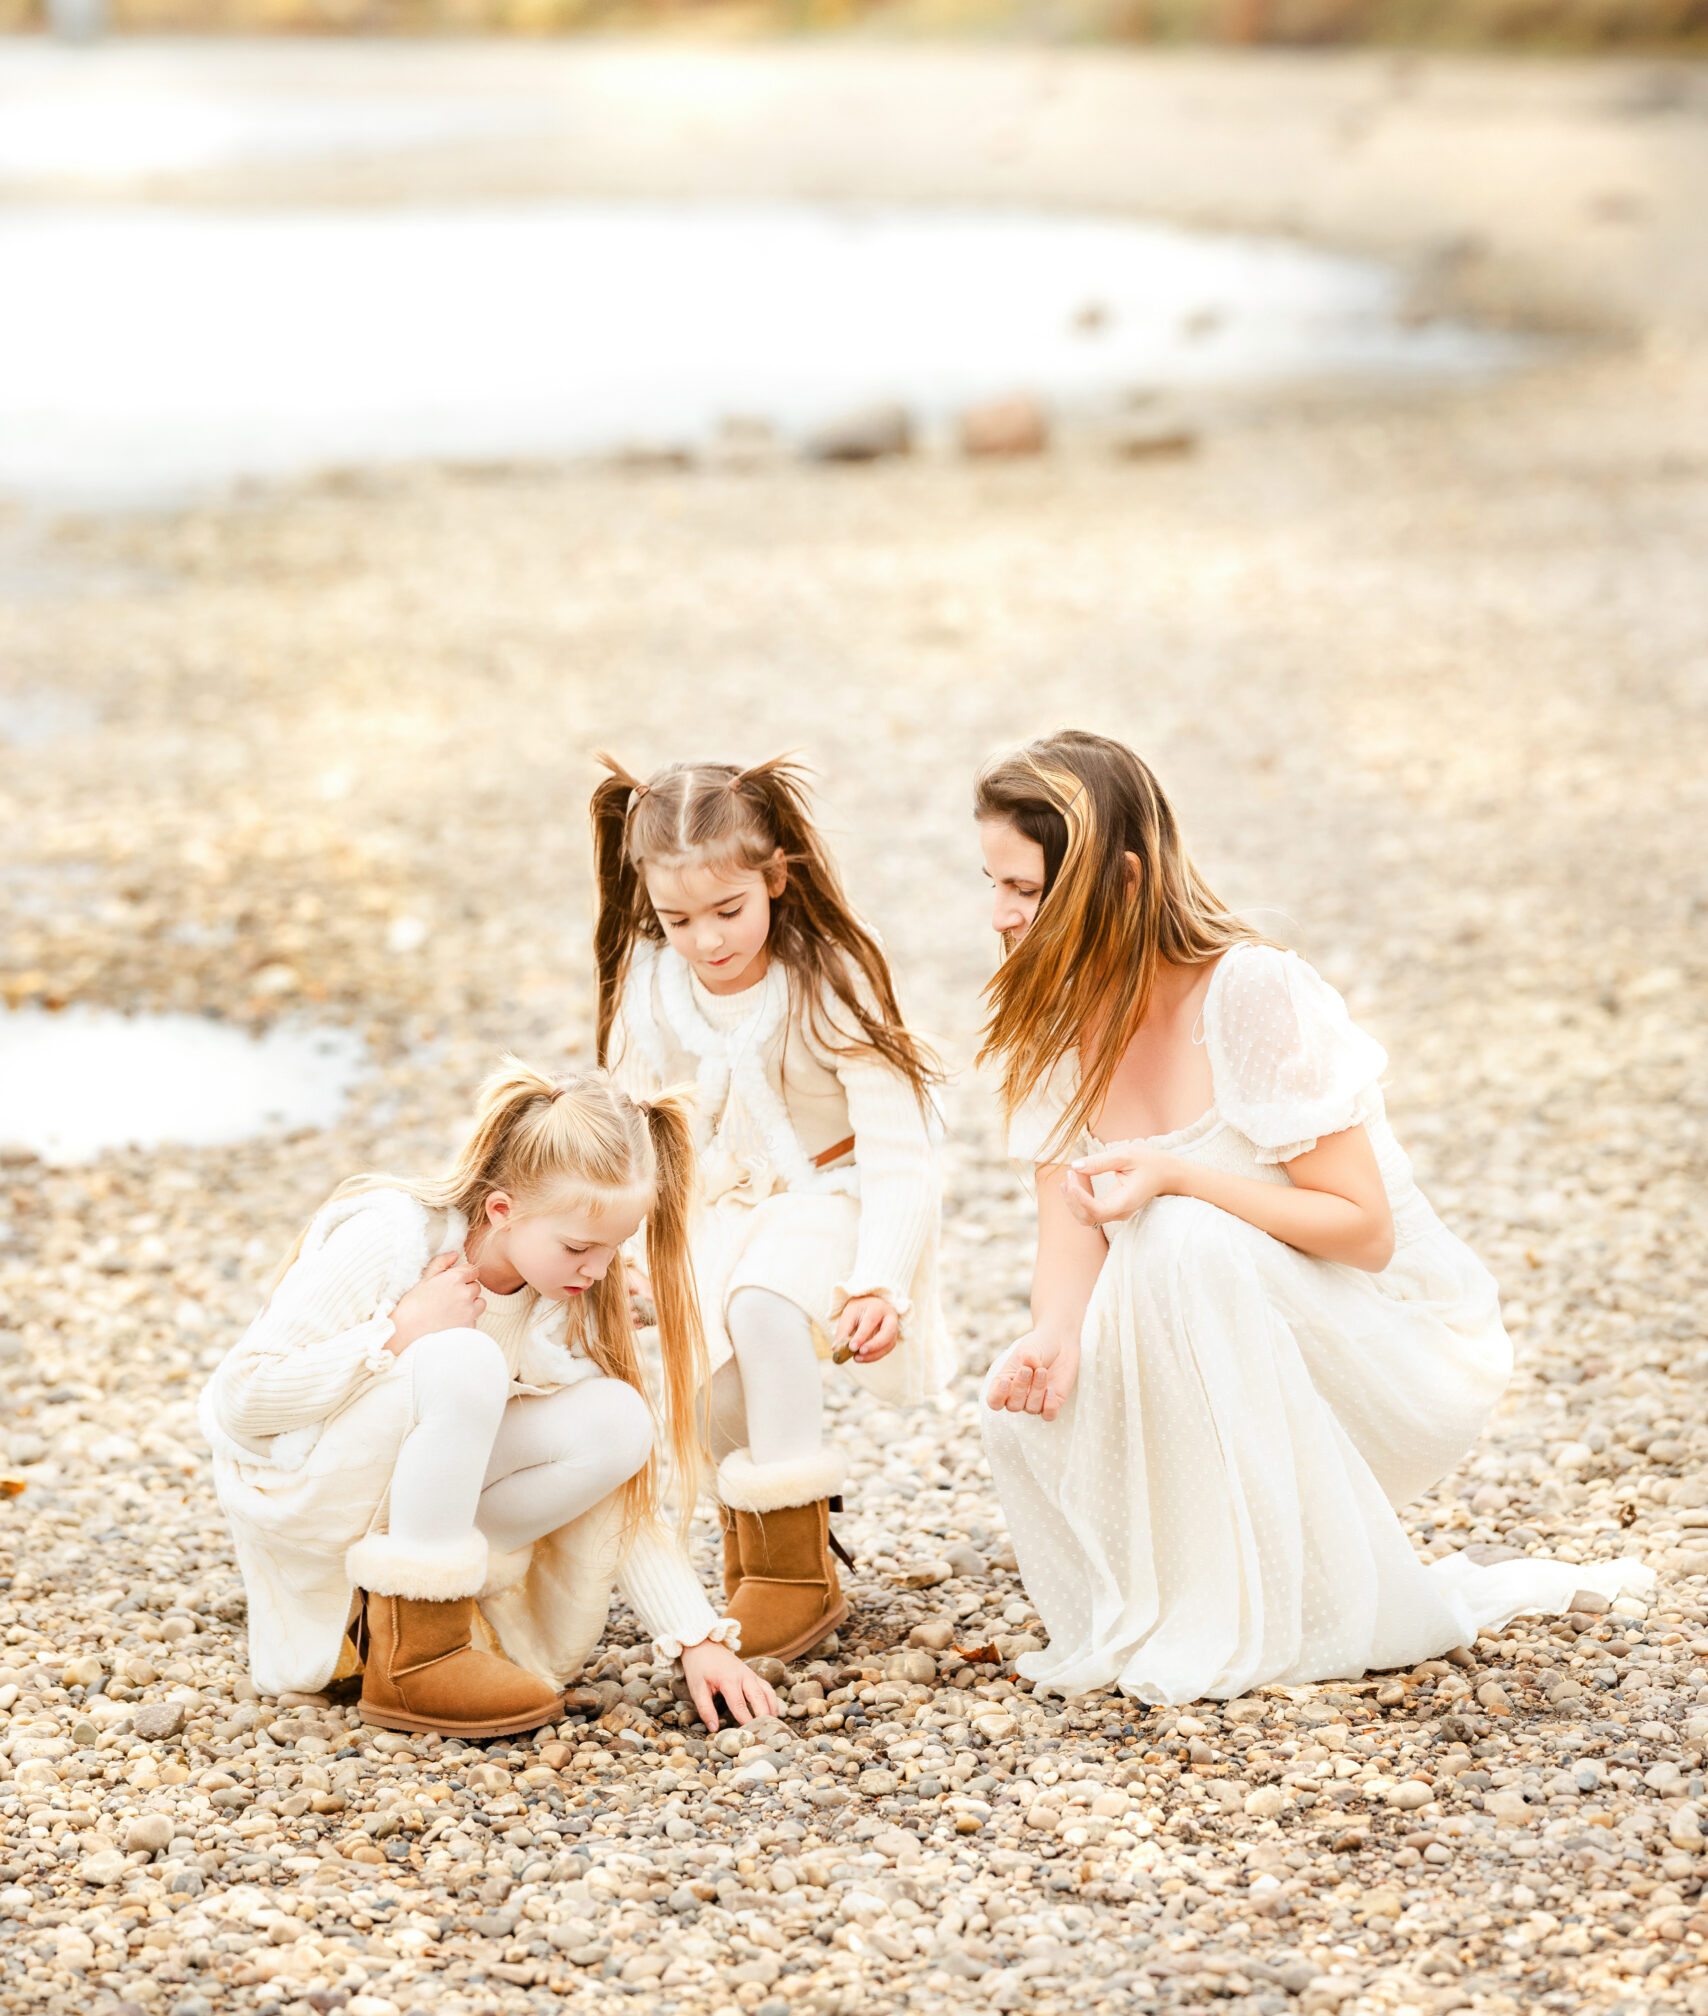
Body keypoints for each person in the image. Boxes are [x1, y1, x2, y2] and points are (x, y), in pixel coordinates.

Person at [976, 728, 1649, 1706]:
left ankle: (1274, 1610)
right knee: (1021, 1415)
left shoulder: (1249, 991)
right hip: (1219, 1317)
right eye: (989, 881)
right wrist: (1051, 1333)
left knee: (1179, 1233)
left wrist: (1176, 1173)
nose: (996, 914)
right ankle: (1205, 1586)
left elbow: (1360, 1229)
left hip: (1381, 1333)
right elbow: (1070, 1219)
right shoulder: (1051, 1010)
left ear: (1118, 882)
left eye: (1023, 890)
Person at [200, 1063, 779, 1736]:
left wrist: (696, 1636)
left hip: (411, 1511)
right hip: (308, 1493)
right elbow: (241, 1397)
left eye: (615, 1248)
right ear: (503, 1210)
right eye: (578, 1246)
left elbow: (617, 1489)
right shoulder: (394, 1236)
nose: (598, 1269)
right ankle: (421, 1657)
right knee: (462, 1354)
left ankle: (406, 1622)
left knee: (619, 1421)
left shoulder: (559, 1291)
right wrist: (398, 1332)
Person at [593, 754, 951, 1661]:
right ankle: (752, 1543)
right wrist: (626, 1244)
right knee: (705, 1374)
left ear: (775, 878)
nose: (707, 941)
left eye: (728, 911)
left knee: (762, 1309)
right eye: (678, 919)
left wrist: (882, 1280)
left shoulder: (826, 978)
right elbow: (629, 1126)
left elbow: (902, 1150)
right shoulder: (650, 985)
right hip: (718, 1205)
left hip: (834, 1196)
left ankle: (795, 1568)